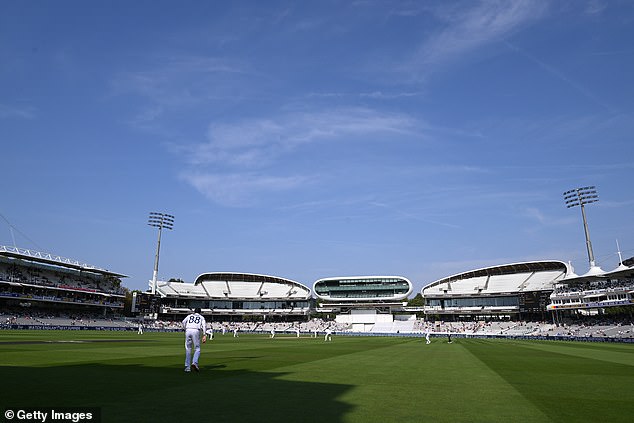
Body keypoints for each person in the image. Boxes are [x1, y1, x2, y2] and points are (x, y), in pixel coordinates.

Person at [182, 308, 207, 373]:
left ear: (194, 311)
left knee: (188, 348)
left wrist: (185, 328)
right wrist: (204, 334)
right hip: (196, 330)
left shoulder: (189, 316)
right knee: (197, 348)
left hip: (188, 330)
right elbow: (204, 325)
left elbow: (183, 322)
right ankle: (195, 362)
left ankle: (187, 367)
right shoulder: (201, 317)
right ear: (200, 312)